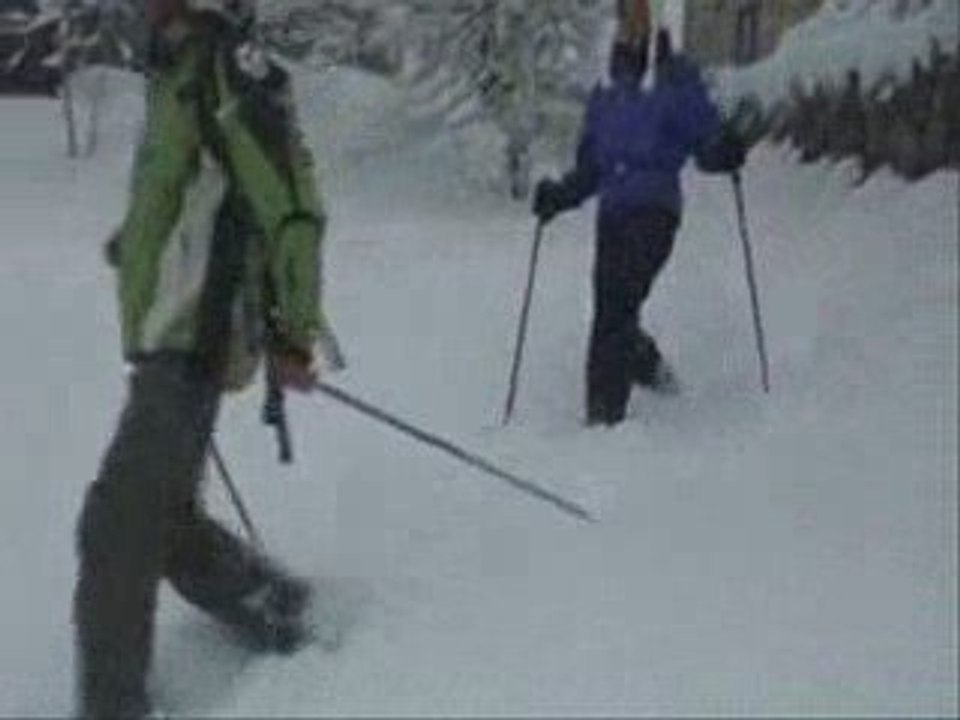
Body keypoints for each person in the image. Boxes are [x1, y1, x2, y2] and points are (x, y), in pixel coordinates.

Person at [73, 0, 340, 716]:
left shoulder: (230, 71)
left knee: (115, 527)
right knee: (167, 523)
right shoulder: (176, 71)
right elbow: (186, 192)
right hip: (167, 336)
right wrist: (135, 246)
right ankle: (284, 610)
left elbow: (291, 207)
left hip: (193, 341)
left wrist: (292, 332)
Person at [532, 27, 746, 427]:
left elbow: (704, 139)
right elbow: (592, 167)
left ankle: (605, 417)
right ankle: (642, 374)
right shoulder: (606, 93)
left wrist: (723, 150)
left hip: (654, 212)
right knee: (612, 308)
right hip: (612, 216)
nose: (628, 36)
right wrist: (560, 196)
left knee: (617, 303)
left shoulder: (672, 79)